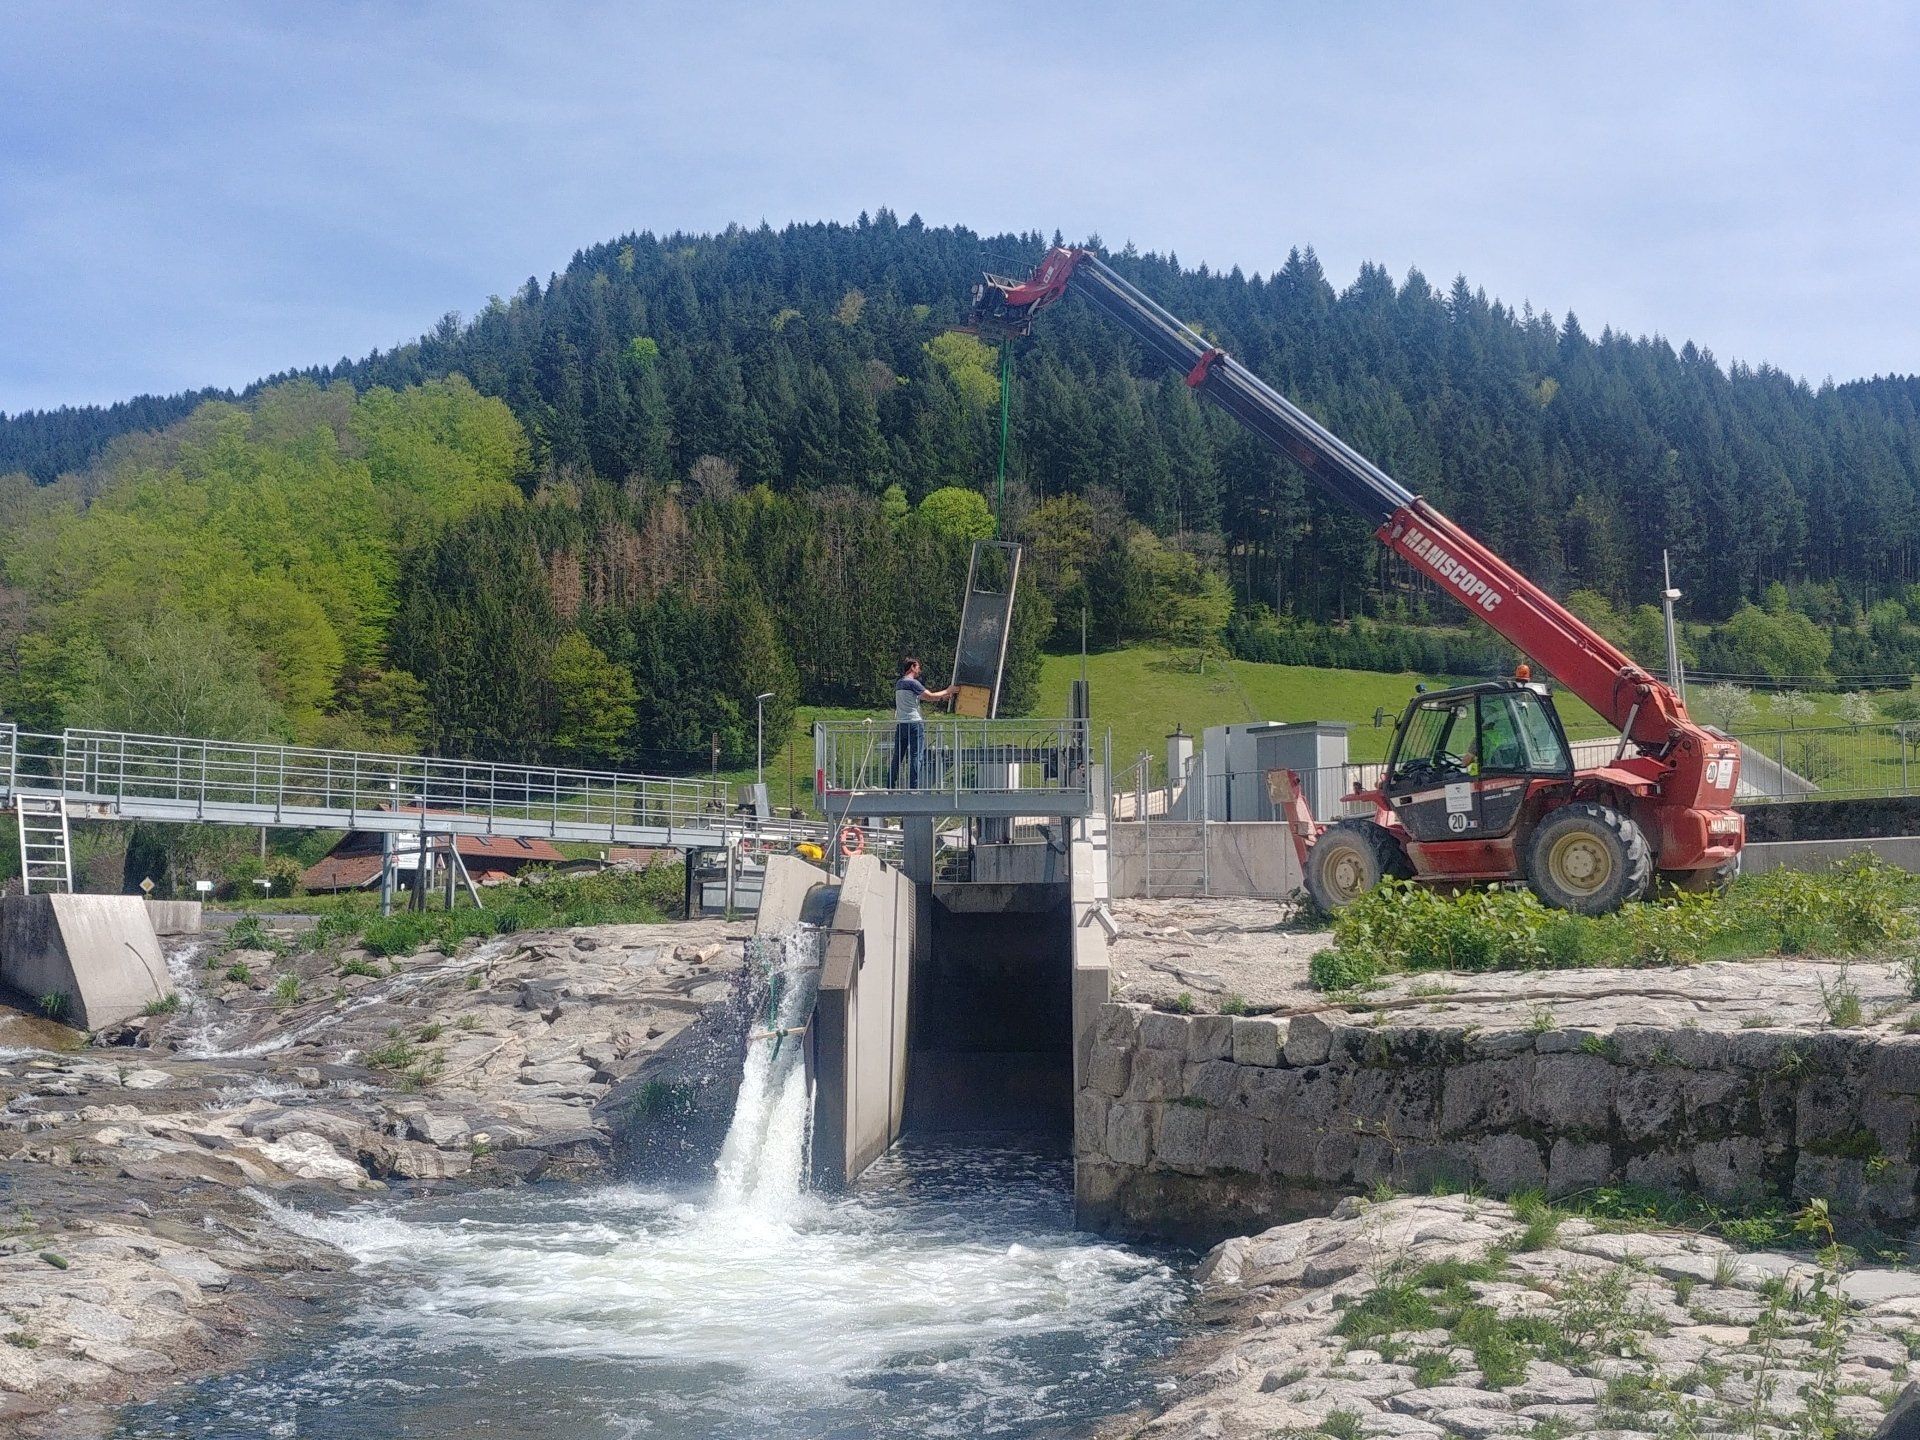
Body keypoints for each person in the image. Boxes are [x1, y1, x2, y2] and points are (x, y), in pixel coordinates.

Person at [891, 656, 952, 788]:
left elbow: (923, 698)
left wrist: (942, 698)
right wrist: (948, 690)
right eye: (918, 667)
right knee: (916, 755)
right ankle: (913, 788)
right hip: (914, 723)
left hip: (901, 724)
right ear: (912, 667)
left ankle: (890, 785)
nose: (919, 670)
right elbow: (929, 696)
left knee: (898, 756)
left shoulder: (899, 683)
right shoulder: (913, 683)